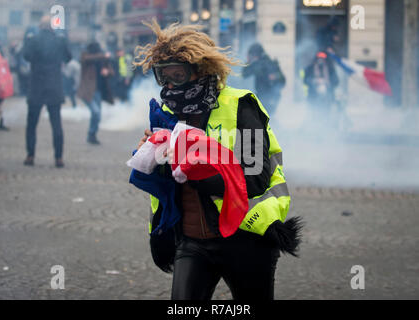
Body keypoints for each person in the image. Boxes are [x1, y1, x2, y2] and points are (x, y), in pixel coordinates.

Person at [131, 20, 302, 301]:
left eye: (177, 74)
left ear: (201, 70)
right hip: (191, 241)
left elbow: (255, 178)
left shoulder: (240, 105)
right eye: (163, 76)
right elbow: (166, 182)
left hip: (246, 238)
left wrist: (191, 169)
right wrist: (150, 158)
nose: (170, 84)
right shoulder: (166, 112)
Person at [22, 16, 71, 168]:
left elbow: (26, 56)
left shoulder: (33, 39)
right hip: (54, 86)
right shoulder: (59, 40)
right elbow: (68, 57)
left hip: (36, 86)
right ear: (51, 27)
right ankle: (58, 158)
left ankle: (30, 155)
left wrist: (27, 39)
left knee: (31, 124)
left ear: (39, 26)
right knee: (56, 124)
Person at [78, 41, 114, 145]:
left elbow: (111, 71)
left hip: (98, 91)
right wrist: (103, 55)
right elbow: (86, 59)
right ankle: (91, 133)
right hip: (87, 91)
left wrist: (107, 72)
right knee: (96, 112)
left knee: (97, 115)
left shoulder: (102, 60)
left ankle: (92, 136)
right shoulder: (86, 56)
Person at [242, 43, 286, 115]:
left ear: (255, 55)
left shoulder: (259, 64)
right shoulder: (271, 62)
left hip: (266, 98)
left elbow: (244, 74)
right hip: (272, 97)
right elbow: (283, 80)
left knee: (263, 119)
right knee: (268, 119)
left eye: (251, 55)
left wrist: (248, 62)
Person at [303, 51, 339, 115]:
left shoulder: (330, 69)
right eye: (319, 58)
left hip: (327, 98)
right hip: (313, 96)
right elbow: (305, 80)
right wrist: (314, 81)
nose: (320, 60)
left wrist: (327, 82)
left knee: (326, 114)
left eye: (322, 58)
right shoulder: (310, 68)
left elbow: (336, 81)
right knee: (313, 114)